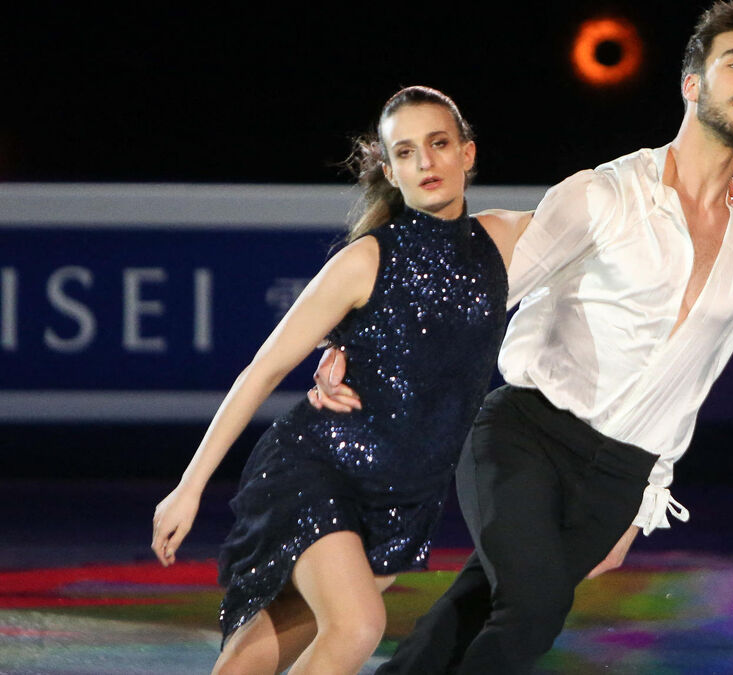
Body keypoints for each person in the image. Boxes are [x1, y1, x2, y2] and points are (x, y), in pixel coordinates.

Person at [313, 1, 733, 672]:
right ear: (692, 84)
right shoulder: (605, 193)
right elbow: (487, 287)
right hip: (528, 435)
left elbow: (691, 383)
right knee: (534, 609)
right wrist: (367, 341)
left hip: (619, 476)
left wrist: (643, 502)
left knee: (476, 608)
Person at [150, 86, 530, 675]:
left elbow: (608, 219)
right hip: (319, 468)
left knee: (264, 654)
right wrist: (189, 486)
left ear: (467, 152)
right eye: (405, 152)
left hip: (404, 497)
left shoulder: (506, 240)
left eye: (438, 144)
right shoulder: (366, 260)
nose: (426, 162)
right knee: (356, 627)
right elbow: (264, 369)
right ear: (389, 168)